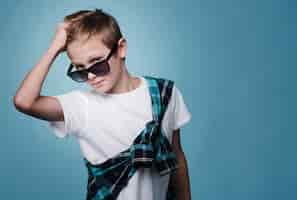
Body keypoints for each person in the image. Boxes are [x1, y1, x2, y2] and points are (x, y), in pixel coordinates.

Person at [13, 8, 192, 200]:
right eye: (80, 70)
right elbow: (24, 101)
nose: (91, 76)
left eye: (97, 63)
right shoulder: (81, 105)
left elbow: (177, 157)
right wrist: (55, 47)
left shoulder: (165, 93)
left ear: (121, 48)